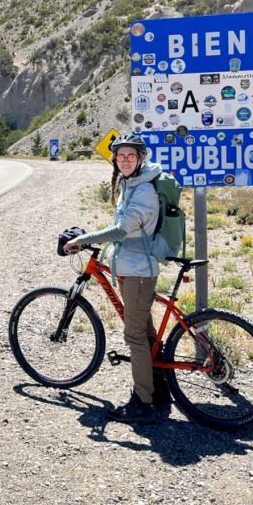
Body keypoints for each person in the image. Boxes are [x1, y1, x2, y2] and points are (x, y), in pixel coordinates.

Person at [63, 133, 170, 424]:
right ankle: (159, 390)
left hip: (138, 270)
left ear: (140, 158)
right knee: (145, 333)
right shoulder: (130, 184)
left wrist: (83, 240)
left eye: (130, 155)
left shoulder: (143, 189)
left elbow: (122, 230)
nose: (125, 160)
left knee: (135, 336)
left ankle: (143, 403)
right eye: (120, 155)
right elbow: (122, 227)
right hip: (131, 267)